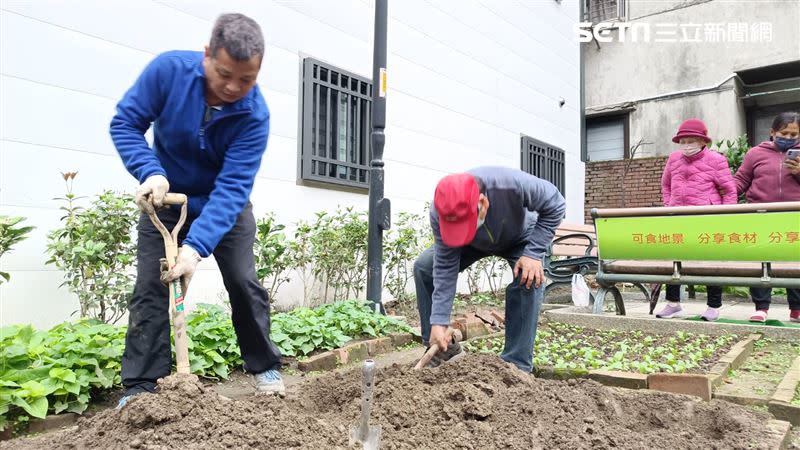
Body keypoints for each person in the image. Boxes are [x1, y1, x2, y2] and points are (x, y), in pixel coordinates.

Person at [110, 13, 284, 407]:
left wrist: (196, 248)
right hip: (165, 202)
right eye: (224, 73)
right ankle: (140, 386)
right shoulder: (168, 72)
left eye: (247, 79)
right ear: (207, 55)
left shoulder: (254, 115)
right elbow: (126, 123)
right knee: (150, 288)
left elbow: (234, 187)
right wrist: (150, 171)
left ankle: (263, 365)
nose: (233, 87)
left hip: (225, 205)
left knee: (242, 280)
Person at [413, 166, 566, 372]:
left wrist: (533, 252)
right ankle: (441, 347)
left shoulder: (511, 184)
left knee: (530, 278)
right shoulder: (441, 212)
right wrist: (439, 320)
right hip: (471, 243)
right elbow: (445, 265)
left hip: (520, 236)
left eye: (464, 223)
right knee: (425, 268)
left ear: (482, 203)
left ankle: (516, 364)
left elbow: (556, 204)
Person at [656, 118, 737, 322]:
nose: (686, 145)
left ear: (703, 142)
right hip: (678, 217)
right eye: (683, 141)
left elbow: (729, 190)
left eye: (691, 140)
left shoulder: (716, 160)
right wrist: (669, 205)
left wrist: (724, 215)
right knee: (674, 259)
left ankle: (713, 306)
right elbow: (665, 184)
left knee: (710, 262)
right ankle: (673, 304)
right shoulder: (673, 159)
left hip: (707, 218)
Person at [734, 112, 800, 323]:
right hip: (760, 215)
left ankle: (796, 309)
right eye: (784, 133)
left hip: (793, 215)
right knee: (761, 260)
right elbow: (741, 180)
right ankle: (761, 307)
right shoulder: (755, 153)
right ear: (772, 132)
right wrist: (721, 194)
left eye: (794, 134)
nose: (789, 138)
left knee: (795, 261)